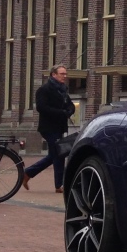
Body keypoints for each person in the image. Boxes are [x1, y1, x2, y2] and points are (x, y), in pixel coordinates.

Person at [22, 65, 76, 193]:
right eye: (62, 73)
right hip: (49, 127)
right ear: (54, 75)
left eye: (65, 73)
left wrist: (69, 111)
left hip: (59, 127)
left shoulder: (63, 90)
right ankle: (59, 185)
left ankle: (28, 173)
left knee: (54, 155)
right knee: (59, 154)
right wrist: (61, 112)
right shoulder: (44, 90)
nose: (65, 76)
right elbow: (41, 107)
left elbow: (70, 105)